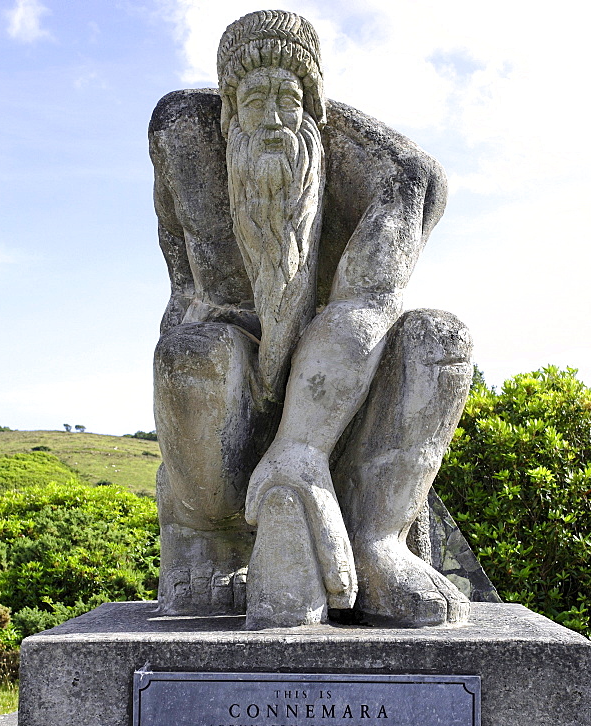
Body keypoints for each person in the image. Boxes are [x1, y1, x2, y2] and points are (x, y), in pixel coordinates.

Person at [150, 9, 472, 627]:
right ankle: (205, 535)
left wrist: (299, 449)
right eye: (251, 102)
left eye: (289, 100)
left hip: (343, 396)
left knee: (440, 340)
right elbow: (189, 287)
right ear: (227, 112)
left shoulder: (396, 176)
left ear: (315, 111)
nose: (271, 120)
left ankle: (379, 542)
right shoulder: (183, 135)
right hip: (233, 389)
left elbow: (365, 306)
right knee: (190, 356)